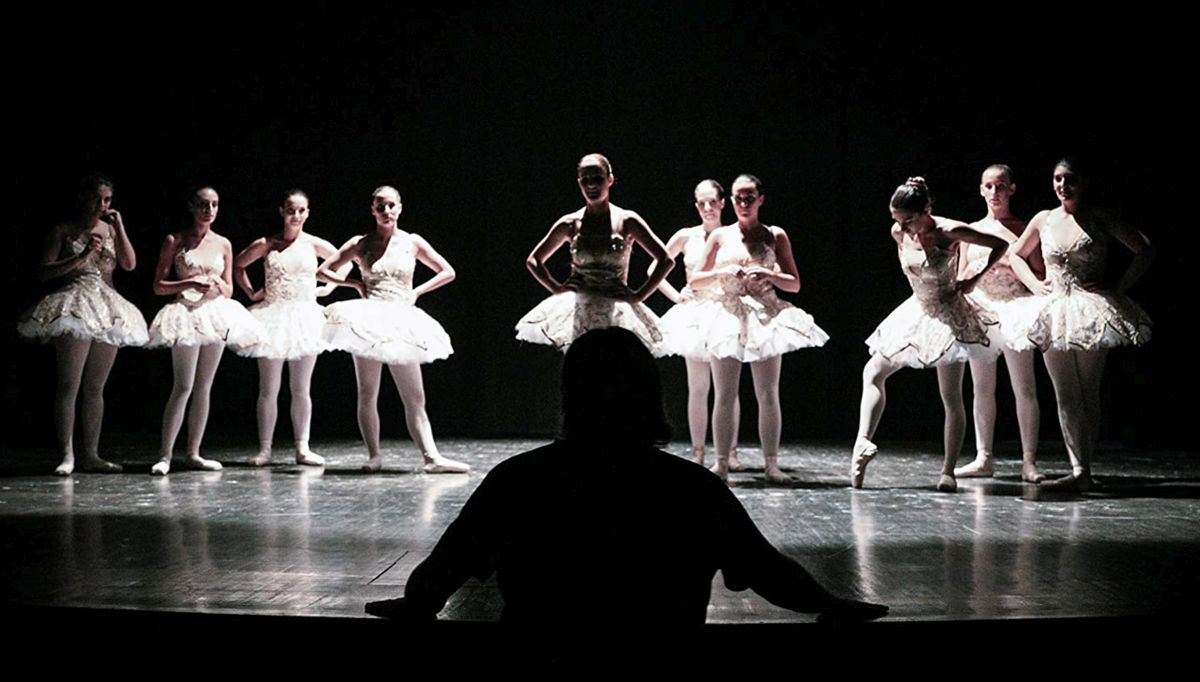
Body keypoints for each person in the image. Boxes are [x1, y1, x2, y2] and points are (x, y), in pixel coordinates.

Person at [365, 328, 888, 625]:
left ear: (570, 396)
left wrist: (415, 603)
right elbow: (770, 572)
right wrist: (830, 605)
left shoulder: (519, 481)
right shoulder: (692, 490)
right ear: (650, 397)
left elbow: (436, 579)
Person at [851, 177, 1008, 492]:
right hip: (917, 310)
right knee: (873, 371)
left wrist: (974, 279)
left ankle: (948, 471)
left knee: (950, 395)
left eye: (908, 220)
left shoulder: (948, 231)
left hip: (949, 314)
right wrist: (903, 228)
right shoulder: (898, 232)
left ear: (926, 210)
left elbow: (1000, 244)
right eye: (898, 220)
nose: (903, 227)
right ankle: (862, 443)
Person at [1007, 158, 1152, 491]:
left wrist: (1119, 288)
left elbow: (1143, 250)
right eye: (1058, 179)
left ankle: (1084, 468)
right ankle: (1078, 469)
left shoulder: (1099, 217)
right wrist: (1034, 284)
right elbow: (1016, 254)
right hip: (1054, 307)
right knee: (1065, 393)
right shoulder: (1044, 219)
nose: (1063, 185)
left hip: (1089, 308)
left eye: (1069, 179)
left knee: (1087, 391)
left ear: (1083, 182)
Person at [687, 175, 829, 482]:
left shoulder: (774, 235)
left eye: (749, 198)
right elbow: (695, 280)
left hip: (765, 315)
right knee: (725, 393)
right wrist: (723, 271)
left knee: (767, 392)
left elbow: (794, 283)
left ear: (760, 199)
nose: (743, 203)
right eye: (738, 198)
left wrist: (768, 273)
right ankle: (721, 462)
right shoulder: (721, 236)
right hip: (728, 314)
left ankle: (771, 464)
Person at [319, 185, 468, 474]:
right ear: (373, 210)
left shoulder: (412, 242)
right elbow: (322, 271)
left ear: (400, 208)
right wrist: (354, 283)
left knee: (414, 395)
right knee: (367, 391)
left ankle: (431, 457)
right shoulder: (361, 243)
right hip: (369, 319)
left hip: (401, 319)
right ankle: (374, 456)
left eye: (391, 205)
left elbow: (447, 271)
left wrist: (417, 292)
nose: (386, 211)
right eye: (381, 206)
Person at [18, 174, 148, 475]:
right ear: (83, 197)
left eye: (107, 200)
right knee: (69, 384)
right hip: (75, 304)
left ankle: (91, 454)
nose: (101, 205)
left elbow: (129, 264)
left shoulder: (110, 228)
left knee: (95, 387)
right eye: (96, 198)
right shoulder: (64, 230)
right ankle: (67, 455)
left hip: (108, 307)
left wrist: (119, 227)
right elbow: (43, 272)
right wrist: (84, 255)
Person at [147, 186, 264, 475]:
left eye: (214, 204)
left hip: (215, 313)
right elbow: (159, 286)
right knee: (183, 385)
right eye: (203, 204)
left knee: (204, 386)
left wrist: (219, 284)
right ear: (191, 206)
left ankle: (194, 453)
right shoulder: (175, 240)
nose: (209, 210)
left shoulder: (223, 243)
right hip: (186, 313)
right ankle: (165, 455)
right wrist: (190, 283)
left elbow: (230, 288)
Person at [515, 153, 672, 352]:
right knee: (582, 362)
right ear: (579, 183)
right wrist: (556, 288)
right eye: (585, 180)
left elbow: (665, 259)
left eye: (597, 179)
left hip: (616, 309)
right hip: (579, 307)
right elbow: (534, 260)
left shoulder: (626, 220)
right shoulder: (571, 223)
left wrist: (639, 295)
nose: (591, 185)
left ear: (610, 180)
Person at [233, 189, 341, 467]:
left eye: (301, 211)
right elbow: (238, 265)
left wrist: (328, 288)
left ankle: (302, 447)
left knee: (301, 388)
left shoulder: (313, 244)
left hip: (305, 317)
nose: (296, 215)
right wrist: (252, 293)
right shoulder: (268, 243)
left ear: (307, 213)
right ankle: (265, 449)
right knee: (268, 388)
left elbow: (345, 261)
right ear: (282, 211)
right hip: (272, 316)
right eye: (291, 210)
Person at [953, 165, 1045, 483]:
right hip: (982, 312)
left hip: (1015, 310)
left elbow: (1038, 273)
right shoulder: (971, 231)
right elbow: (962, 275)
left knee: (1024, 387)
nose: (995, 192)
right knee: (981, 387)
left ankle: (1029, 461)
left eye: (1001, 186)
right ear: (981, 190)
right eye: (989, 186)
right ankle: (984, 457)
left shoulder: (1023, 229)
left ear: (1012, 189)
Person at [656, 179, 741, 466]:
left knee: (727, 388)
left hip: (726, 311)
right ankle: (698, 453)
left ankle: (729, 453)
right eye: (701, 203)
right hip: (696, 313)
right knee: (698, 386)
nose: (707, 208)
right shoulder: (687, 236)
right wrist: (676, 297)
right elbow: (656, 267)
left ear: (722, 203)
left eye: (712, 202)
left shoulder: (733, 234)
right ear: (696, 205)